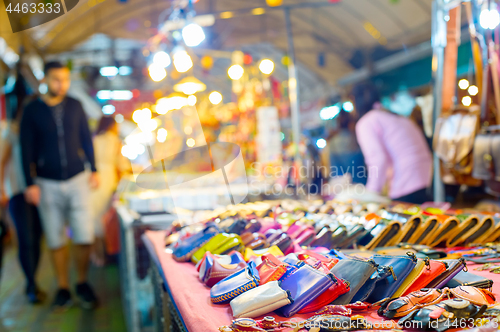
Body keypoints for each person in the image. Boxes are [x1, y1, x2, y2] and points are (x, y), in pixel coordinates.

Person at [20, 61, 100, 310]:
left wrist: (94, 168)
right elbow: (26, 149)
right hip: (46, 182)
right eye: (56, 79)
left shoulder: (75, 105)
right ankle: (63, 287)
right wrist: (30, 183)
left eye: (65, 79)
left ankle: (82, 282)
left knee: (84, 235)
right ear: (45, 79)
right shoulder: (33, 110)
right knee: (55, 239)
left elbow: (86, 138)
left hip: (77, 178)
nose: (62, 84)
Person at [0, 69, 45, 303]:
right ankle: (30, 284)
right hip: (18, 191)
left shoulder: (37, 127)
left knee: (37, 238)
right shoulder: (11, 130)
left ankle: (33, 280)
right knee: (26, 240)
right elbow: (2, 161)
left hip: (41, 190)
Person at [353, 83, 432, 204]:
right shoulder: (394, 116)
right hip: (427, 179)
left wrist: (372, 192)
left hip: (406, 184)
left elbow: (378, 159)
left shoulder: (366, 122)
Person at [90, 116, 124, 266]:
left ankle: (98, 255)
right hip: (109, 180)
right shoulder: (116, 142)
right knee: (107, 220)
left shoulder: (94, 140)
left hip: (94, 181)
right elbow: (122, 166)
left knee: (95, 220)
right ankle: (109, 252)